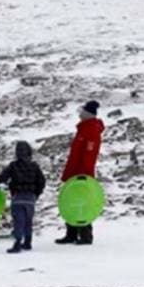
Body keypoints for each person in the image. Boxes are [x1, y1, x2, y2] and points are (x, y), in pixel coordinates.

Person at [56, 100, 105, 245]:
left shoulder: (91, 130)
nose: (80, 114)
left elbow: (89, 154)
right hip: (73, 172)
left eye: (82, 112)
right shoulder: (83, 129)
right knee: (71, 201)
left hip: (81, 174)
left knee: (83, 202)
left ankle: (85, 235)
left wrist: (84, 174)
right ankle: (71, 233)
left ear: (87, 114)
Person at [0, 141, 46, 253]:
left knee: (19, 221)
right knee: (28, 221)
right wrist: (36, 194)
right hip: (31, 198)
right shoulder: (34, 166)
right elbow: (42, 181)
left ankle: (17, 243)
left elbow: (3, 177)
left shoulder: (13, 165)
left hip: (18, 197)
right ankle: (28, 242)